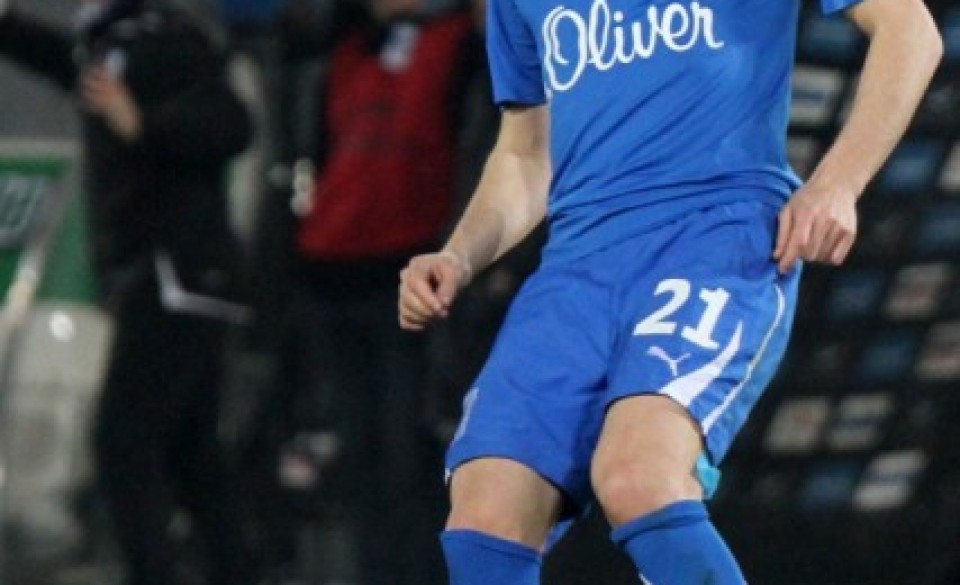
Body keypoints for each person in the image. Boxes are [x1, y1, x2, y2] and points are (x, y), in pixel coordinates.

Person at [398, 0, 943, 583]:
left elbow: (909, 27)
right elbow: (526, 153)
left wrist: (838, 184)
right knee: (484, 516)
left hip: (713, 239)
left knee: (639, 478)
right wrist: (459, 255)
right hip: (575, 265)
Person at [0, 2, 259, 585]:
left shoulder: (165, 39)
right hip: (172, 276)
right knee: (192, 456)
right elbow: (65, 62)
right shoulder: (110, 38)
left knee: (124, 443)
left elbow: (232, 123)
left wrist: (144, 124)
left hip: (177, 274)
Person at [275, 0, 478, 582]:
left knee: (405, 451)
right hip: (331, 271)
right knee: (359, 454)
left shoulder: (458, 45)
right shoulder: (346, 52)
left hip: (409, 273)